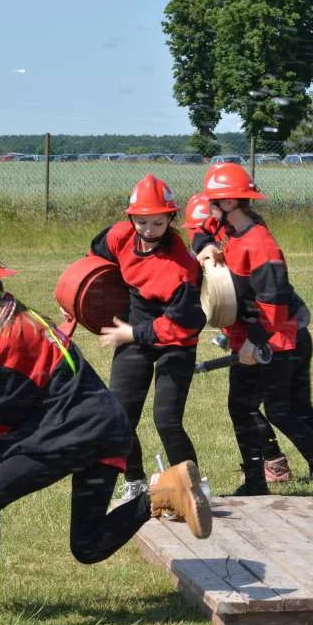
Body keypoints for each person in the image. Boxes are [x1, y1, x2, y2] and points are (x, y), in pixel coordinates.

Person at [0, 243, 211, 625]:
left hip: (80, 436)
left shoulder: (13, 336)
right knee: (89, 546)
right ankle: (163, 494)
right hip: (99, 432)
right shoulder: (11, 321)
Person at [184, 192, 313, 486]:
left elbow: (274, 304)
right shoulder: (226, 229)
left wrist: (254, 342)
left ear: (228, 205)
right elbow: (200, 231)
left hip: (279, 337)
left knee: (280, 412)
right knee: (265, 409)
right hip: (262, 336)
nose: (207, 223)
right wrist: (204, 245)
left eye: (212, 210)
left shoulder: (259, 243)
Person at [87, 174, 207, 500]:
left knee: (166, 419)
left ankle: (195, 489)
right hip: (135, 333)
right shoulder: (120, 236)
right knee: (119, 417)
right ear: (131, 218)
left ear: (171, 218)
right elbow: (94, 261)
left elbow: (180, 325)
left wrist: (131, 333)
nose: (149, 230)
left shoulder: (182, 266)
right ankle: (136, 483)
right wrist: (79, 300)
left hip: (176, 341)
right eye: (141, 222)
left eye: (157, 222)